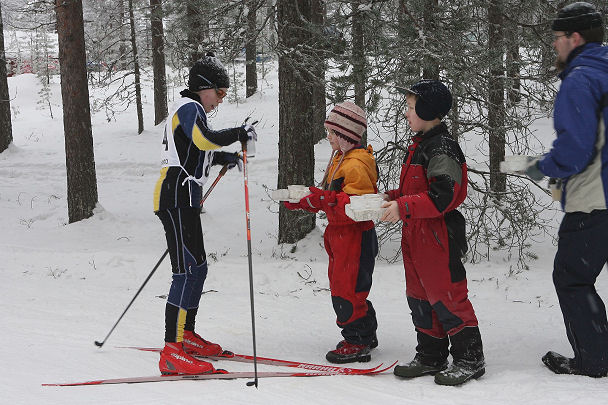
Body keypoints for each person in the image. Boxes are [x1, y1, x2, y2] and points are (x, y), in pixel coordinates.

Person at [153, 52, 256, 375]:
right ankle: (172, 350)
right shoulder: (189, 108)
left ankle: (186, 335)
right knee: (185, 272)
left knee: (197, 268)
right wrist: (237, 134)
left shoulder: (193, 110)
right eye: (220, 93)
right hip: (175, 197)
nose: (220, 100)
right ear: (203, 88)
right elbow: (201, 139)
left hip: (184, 198)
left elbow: (197, 152)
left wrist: (224, 158)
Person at [522, 2, 608, 378]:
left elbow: (574, 151)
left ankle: (593, 361)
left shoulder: (581, 79)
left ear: (575, 38)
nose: (554, 46)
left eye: (557, 38)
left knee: (572, 277)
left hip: (595, 200)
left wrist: (542, 167)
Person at [380, 80, 484, 386]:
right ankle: (431, 354)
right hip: (416, 234)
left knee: (446, 295)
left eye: (411, 108)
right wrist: (393, 197)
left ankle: (469, 358)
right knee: (419, 296)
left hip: (438, 235)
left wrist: (404, 207)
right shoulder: (420, 145)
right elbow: (417, 189)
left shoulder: (441, 148)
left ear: (427, 111)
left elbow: (444, 195)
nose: (407, 113)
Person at [284, 101, 380, 364]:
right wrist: (304, 198)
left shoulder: (356, 165)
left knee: (346, 290)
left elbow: (355, 208)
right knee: (347, 286)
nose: (327, 137)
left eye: (332, 132)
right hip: (339, 236)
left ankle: (357, 340)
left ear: (346, 136)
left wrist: (321, 200)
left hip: (354, 237)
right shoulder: (341, 158)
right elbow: (329, 196)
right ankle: (364, 332)